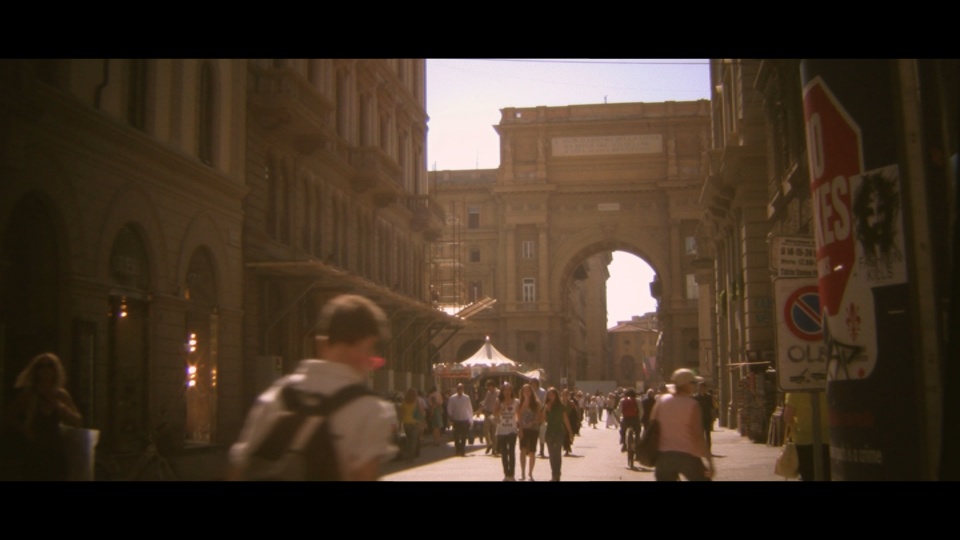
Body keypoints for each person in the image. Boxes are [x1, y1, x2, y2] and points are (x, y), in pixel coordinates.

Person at [229, 294, 397, 481]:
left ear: (321, 344)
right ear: (368, 345)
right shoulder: (372, 411)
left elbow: (239, 470)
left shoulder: (276, 396)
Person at [3, 352, 83, 481]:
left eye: (50, 365)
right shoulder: (29, 394)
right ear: (35, 371)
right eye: (41, 366)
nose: (46, 369)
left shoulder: (61, 395)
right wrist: (24, 429)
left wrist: (62, 408)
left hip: (56, 450)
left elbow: (78, 421)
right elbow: (8, 416)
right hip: (35, 449)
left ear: (55, 369)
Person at [650, 368, 714, 481]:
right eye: (693, 383)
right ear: (685, 385)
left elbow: (652, 424)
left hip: (664, 458)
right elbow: (697, 436)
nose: (695, 386)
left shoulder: (661, 400)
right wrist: (709, 461)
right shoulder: (692, 404)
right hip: (687, 457)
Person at [783, 391, 830, 481]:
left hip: (803, 440)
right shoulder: (826, 386)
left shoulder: (794, 390)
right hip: (827, 438)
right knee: (827, 474)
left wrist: (798, 426)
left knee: (808, 474)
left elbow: (787, 417)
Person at [542, 387, 574, 481]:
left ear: (556, 395)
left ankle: (557, 474)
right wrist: (546, 409)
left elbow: (565, 419)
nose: (550, 397)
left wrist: (570, 432)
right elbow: (543, 419)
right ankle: (553, 474)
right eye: (549, 395)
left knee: (557, 454)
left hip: (558, 432)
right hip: (549, 432)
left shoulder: (561, 406)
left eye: (552, 395)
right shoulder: (547, 406)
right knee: (552, 455)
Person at [494, 382, 520, 481]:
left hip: (512, 430)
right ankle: (506, 473)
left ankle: (512, 474)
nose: (507, 392)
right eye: (505, 390)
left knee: (511, 452)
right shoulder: (498, 401)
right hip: (501, 430)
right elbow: (495, 414)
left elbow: (519, 416)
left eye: (509, 390)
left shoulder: (516, 402)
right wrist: (502, 407)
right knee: (504, 453)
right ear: (502, 391)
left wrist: (520, 428)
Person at [516, 383, 542, 481]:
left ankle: (530, 473)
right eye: (524, 391)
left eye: (528, 391)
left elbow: (540, 417)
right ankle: (522, 473)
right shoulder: (520, 403)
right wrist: (521, 429)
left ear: (532, 392)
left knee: (532, 451)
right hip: (523, 429)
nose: (527, 393)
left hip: (533, 429)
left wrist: (533, 422)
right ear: (522, 392)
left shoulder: (536, 403)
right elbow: (519, 416)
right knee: (522, 450)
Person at [447, 383, 474, 456]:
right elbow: (449, 408)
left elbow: (469, 409)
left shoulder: (467, 398)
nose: (460, 390)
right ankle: (457, 449)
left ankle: (462, 449)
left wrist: (471, 420)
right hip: (456, 419)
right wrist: (450, 417)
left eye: (461, 388)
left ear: (463, 389)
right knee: (456, 436)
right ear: (457, 389)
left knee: (463, 436)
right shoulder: (452, 398)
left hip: (464, 419)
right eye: (458, 388)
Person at [399, 387, 425, 460]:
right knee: (414, 440)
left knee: (409, 439)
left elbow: (401, 414)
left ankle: (409, 454)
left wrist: (400, 424)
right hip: (415, 423)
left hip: (406, 423)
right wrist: (423, 421)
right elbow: (421, 412)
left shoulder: (404, 403)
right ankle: (412, 455)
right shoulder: (416, 402)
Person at [479, 379, 499, 455]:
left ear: (492, 386)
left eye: (489, 387)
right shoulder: (488, 393)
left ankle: (494, 449)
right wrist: (481, 408)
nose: (488, 388)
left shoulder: (498, 393)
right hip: (488, 413)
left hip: (495, 414)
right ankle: (489, 444)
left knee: (494, 432)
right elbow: (486, 402)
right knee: (485, 430)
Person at [695, 382, 716, 452]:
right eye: (700, 387)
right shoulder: (695, 397)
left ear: (705, 388)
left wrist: (713, 418)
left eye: (703, 387)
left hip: (707, 418)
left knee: (707, 435)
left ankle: (708, 450)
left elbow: (712, 407)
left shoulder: (709, 397)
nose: (701, 389)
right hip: (698, 419)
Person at [531, 378, 548, 458]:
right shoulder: (530, 392)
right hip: (532, 414)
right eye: (532, 383)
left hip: (541, 413)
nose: (533, 385)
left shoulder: (542, 391)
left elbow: (545, 403)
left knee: (542, 432)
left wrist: (543, 413)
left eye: (534, 383)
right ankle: (532, 450)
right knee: (533, 433)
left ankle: (542, 451)